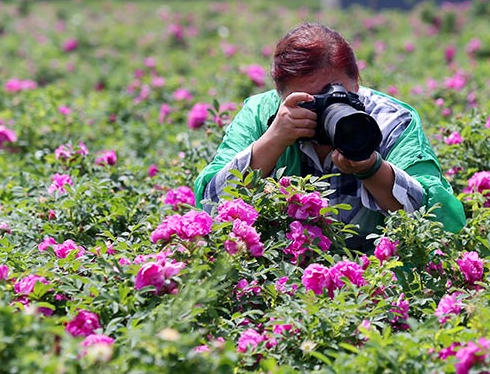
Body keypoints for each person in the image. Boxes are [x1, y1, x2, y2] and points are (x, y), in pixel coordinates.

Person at [194, 22, 466, 251]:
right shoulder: (261, 115)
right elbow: (211, 204)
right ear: (280, 95)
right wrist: (274, 139)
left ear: (356, 82)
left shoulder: (390, 120)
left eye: (334, 93)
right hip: (279, 279)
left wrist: (371, 168)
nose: (324, 109)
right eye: (309, 101)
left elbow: (434, 216)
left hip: (377, 284)